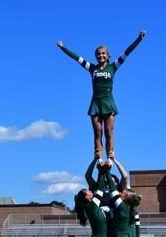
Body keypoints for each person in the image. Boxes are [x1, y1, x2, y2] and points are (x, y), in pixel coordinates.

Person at [56, 31, 146, 160]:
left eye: (103, 53)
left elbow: (127, 52)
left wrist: (139, 39)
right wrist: (63, 47)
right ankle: (98, 155)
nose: (101, 55)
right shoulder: (92, 68)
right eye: (98, 54)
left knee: (109, 131)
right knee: (98, 132)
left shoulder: (113, 67)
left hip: (108, 103)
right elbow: (77, 58)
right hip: (96, 103)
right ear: (96, 56)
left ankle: (110, 155)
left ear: (107, 55)